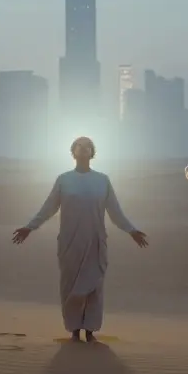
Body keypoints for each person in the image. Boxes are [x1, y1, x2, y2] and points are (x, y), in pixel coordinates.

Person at [12, 136, 148, 343]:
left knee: (94, 287)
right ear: (73, 152)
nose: (83, 149)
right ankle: (74, 330)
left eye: (87, 147)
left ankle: (90, 331)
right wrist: (29, 227)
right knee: (70, 286)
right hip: (70, 242)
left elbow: (115, 212)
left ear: (92, 152)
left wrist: (132, 230)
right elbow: (48, 208)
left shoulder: (102, 180)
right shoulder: (64, 180)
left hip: (95, 242)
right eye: (79, 146)